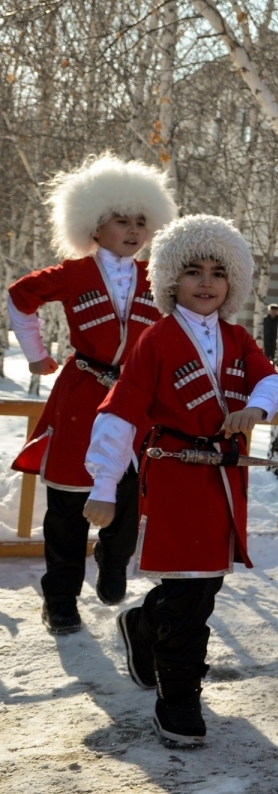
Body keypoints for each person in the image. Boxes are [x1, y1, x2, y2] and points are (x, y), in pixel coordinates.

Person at [81, 214, 278, 748]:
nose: (206, 281)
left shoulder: (239, 338)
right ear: (172, 278)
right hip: (174, 478)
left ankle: (144, 628)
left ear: (232, 282)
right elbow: (119, 413)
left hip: (223, 483)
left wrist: (257, 410)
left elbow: (269, 380)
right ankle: (178, 694)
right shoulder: (156, 339)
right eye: (193, 270)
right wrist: (104, 486)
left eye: (219, 271)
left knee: (201, 585)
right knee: (191, 594)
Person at [7, 154, 176, 634]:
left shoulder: (157, 277)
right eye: (121, 220)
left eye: (141, 221)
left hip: (137, 397)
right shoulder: (73, 272)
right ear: (93, 226)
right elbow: (20, 296)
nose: (133, 229)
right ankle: (60, 599)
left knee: (128, 491)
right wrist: (37, 355)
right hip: (81, 392)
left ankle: (115, 555)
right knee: (65, 503)